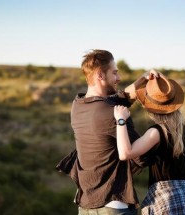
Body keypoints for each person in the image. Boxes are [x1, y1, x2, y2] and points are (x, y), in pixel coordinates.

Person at [68, 49, 153, 215]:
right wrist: (158, 134)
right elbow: (141, 157)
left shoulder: (78, 105)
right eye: (114, 73)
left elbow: (120, 97)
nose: (119, 78)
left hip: (86, 206)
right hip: (113, 207)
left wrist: (144, 78)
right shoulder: (113, 114)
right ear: (100, 75)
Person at [114, 72, 185, 215]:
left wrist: (121, 121)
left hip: (166, 202)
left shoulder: (157, 132)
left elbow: (125, 153)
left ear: (149, 107)